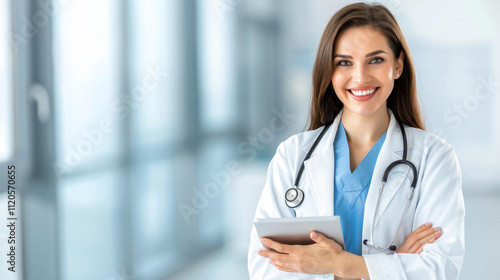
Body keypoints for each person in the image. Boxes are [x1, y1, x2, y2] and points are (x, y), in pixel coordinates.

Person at [247, 2, 465, 280]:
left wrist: (338, 265)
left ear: (397, 65)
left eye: (376, 59)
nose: (360, 76)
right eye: (344, 62)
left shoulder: (434, 157)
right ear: (330, 70)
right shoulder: (293, 156)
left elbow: (440, 267)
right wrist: (391, 266)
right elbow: (264, 267)